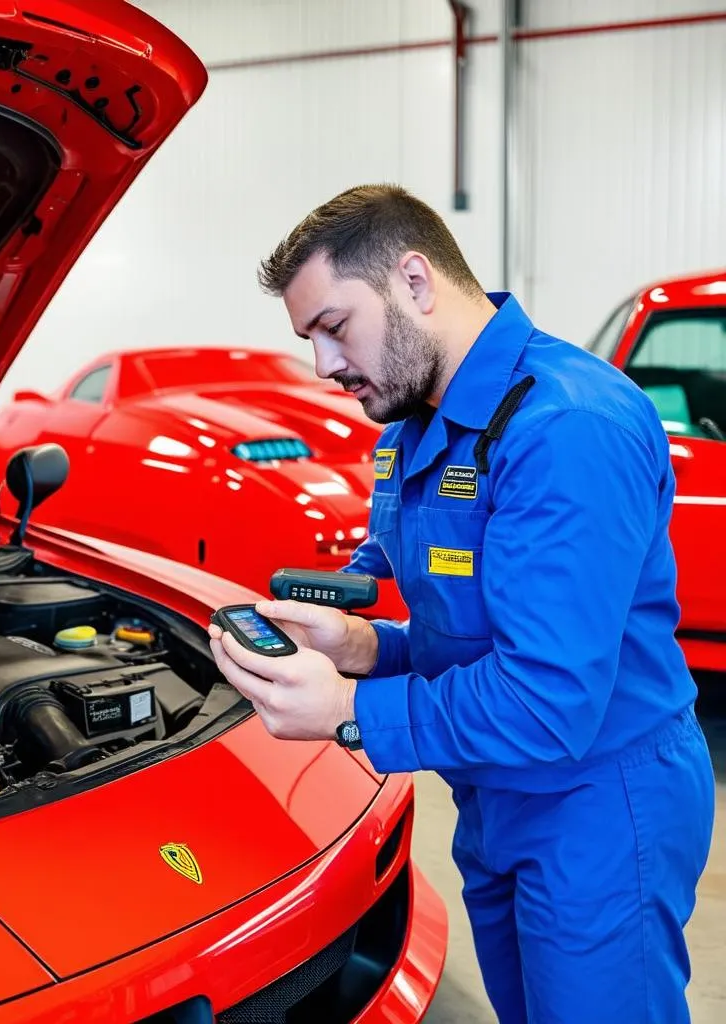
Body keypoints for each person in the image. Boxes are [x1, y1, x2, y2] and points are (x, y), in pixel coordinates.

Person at [207, 184, 715, 1024]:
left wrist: (348, 708)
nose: (325, 365)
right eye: (310, 340)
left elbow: (548, 701)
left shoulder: (564, 427)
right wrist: (365, 647)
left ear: (414, 280)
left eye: (335, 327)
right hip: (495, 790)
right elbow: (473, 638)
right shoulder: (419, 427)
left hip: (596, 803)